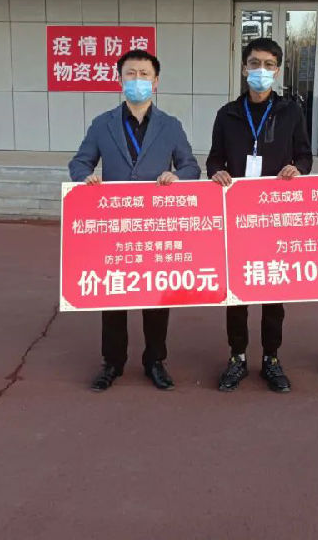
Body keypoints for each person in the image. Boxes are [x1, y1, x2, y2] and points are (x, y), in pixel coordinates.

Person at [68, 49, 201, 392]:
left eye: (144, 74)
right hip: (115, 223)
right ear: (120, 79)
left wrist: (177, 177)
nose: (137, 80)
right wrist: (86, 178)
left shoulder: (170, 126)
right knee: (114, 295)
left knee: (156, 295)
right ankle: (112, 362)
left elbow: (191, 166)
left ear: (155, 82)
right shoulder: (103, 124)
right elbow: (80, 162)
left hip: (156, 224)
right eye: (131, 74)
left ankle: (155, 360)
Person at [206, 37, 313, 393]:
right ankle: (237, 356)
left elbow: (305, 156)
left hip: (275, 215)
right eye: (254, 64)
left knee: (272, 291)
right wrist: (217, 172)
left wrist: (298, 169)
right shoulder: (227, 114)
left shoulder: (290, 112)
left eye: (268, 65)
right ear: (244, 68)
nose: (261, 71)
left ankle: (271, 358)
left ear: (277, 71)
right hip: (237, 215)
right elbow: (214, 158)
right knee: (237, 291)